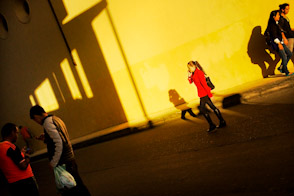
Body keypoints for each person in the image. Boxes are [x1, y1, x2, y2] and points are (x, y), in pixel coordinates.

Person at [30, 105, 91, 196]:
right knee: (78, 186)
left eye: (35, 120)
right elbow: (61, 137)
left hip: (63, 162)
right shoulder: (55, 118)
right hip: (69, 159)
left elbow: (59, 143)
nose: (37, 122)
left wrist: (53, 162)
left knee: (70, 189)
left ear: (36, 116)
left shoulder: (47, 123)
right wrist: (46, 138)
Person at [0, 123, 39, 196]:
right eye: (17, 133)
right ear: (12, 132)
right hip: (25, 182)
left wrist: (21, 154)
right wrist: (27, 156)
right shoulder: (10, 147)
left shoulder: (1, 146)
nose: (17, 136)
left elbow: (11, 160)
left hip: (13, 184)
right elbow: (23, 166)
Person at [187, 61, 226, 132]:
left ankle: (212, 125)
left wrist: (210, 95)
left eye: (189, 68)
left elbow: (204, 85)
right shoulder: (194, 74)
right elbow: (190, 82)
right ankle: (221, 122)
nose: (189, 69)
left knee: (203, 109)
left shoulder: (199, 73)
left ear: (194, 66)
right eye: (188, 68)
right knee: (212, 107)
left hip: (204, 94)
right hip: (202, 94)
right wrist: (189, 75)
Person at [266, 10, 293, 76]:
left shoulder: (276, 23)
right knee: (284, 57)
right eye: (278, 15)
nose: (279, 16)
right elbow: (274, 36)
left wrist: (283, 39)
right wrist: (279, 44)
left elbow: (280, 32)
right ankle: (286, 71)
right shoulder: (272, 25)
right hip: (277, 43)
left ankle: (281, 67)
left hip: (281, 42)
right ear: (273, 17)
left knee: (289, 54)